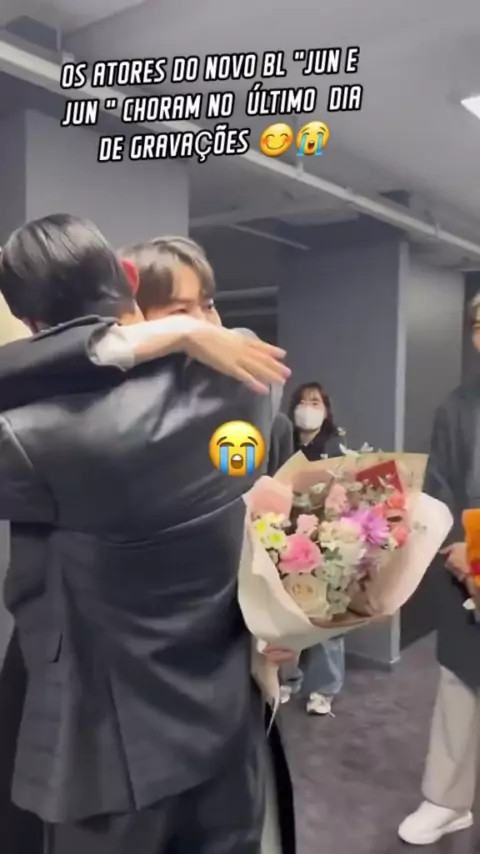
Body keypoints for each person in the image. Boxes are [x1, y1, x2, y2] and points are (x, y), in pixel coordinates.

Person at [0, 213, 292, 854]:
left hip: (109, 762)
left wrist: (127, 343)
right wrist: (185, 332)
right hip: (224, 730)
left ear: (25, 319)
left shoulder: (31, 438)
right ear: (128, 280)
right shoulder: (243, 378)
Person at [121, 234, 296, 853]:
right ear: (133, 322)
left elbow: (267, 537)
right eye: (180, 311)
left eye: (209, 305)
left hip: (229, 685)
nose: (207, 325)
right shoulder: (101, 427)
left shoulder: (249, 413)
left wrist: (283, 624)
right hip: (136, 701)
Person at [398, 294, 480, 846]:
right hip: (469, 562)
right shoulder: (457, 406)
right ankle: (449, 800)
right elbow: (440, 486)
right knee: (461, 681)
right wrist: (458, 549)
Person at [280, 381, 347, 716]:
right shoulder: (283, 442)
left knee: (325, 615)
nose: (308, 408)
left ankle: (324, 688)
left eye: (315, 402)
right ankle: (288, 678)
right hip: (283, 538)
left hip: (325, 539)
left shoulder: (335, 447)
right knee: (285, 613)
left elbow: (346, 493)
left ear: (326, 410)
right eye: (303, 401)